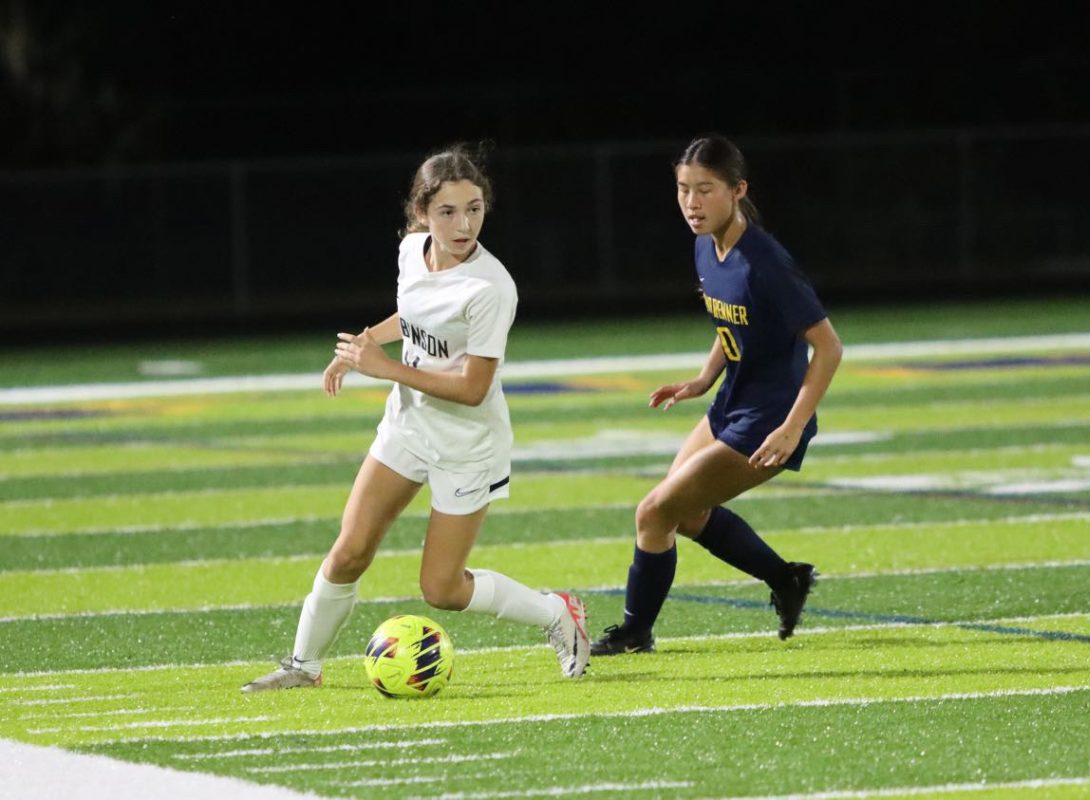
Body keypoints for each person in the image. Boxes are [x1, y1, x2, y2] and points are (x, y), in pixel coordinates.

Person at [242, 145, 589, 691]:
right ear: (421, 212)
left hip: (468, 444)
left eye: (474, 208)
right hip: (409, 426)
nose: (463, 223)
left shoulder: (491, 288)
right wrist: (363, 345)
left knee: (442, 589)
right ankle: (303, 666)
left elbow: (474, 389)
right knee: (351, 549)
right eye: (448, 211)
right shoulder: (411, 250)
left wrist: (385, 371)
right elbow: (416, 314)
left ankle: (557, 613)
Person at [592, 135, 843, 656]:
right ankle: (786, 578)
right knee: (679, 513)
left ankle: (637, 632)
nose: (691, 202)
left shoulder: (766, 262)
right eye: (684, 189)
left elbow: (829, 347)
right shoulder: (706, 244)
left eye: (705, 189)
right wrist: (703, 380)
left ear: (738, 190)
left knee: (653, 513)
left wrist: (794, 426)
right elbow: (731, 324)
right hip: (731, 404)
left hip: (771, 419)